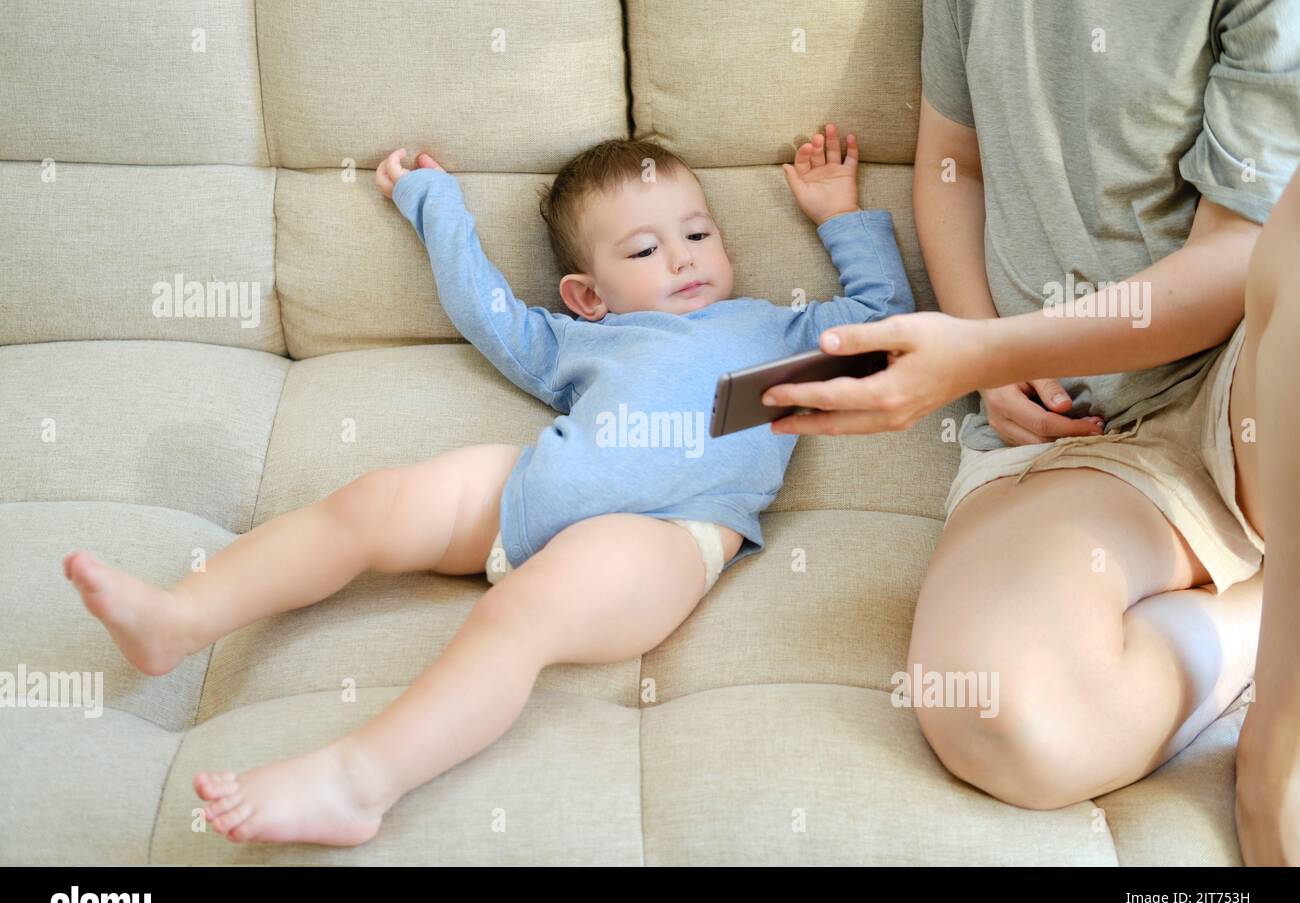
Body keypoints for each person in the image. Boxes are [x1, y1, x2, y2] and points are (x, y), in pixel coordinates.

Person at [60, 133, 912, 846]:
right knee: (372, 503)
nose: (684, 259)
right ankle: (182, 619)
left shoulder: (776, 333)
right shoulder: (580, 341)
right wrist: (435, 202)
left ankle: (361, 779)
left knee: (517, 615)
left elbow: (880, 324)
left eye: (698, 233)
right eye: (646, 250)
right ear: (588, 295)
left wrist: (839, 211)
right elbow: (487, 311)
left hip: (665, 534)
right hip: (531, 490)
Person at [760, 1, 1300, 864]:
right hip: (1076, 441)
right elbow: (952, 162)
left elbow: (1243, 255)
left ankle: (1274, 756)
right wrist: (984, 357)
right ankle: (1268, 606)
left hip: (1250, 391)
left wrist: (982, 349)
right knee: (1001, 716)